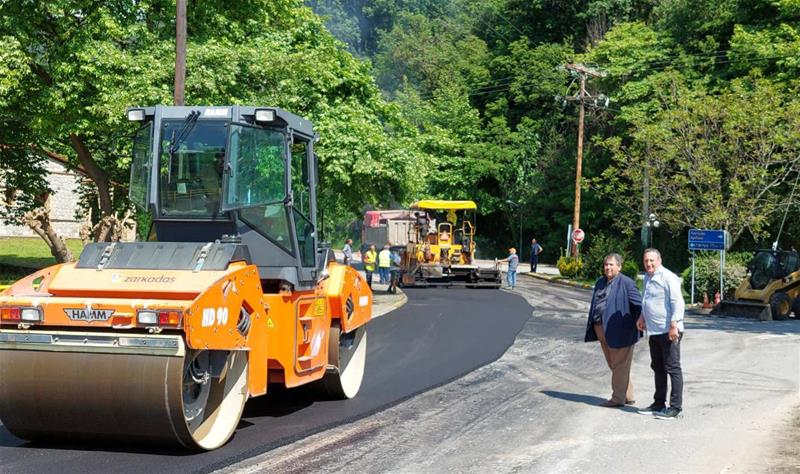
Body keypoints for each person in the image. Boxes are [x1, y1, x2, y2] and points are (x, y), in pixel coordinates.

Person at [584, 253, 642, 408]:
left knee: (619, 365)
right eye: (606, 265)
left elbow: (640, 304)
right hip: (601, 329)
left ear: (619, 266)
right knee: (615, 365)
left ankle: (617, 399)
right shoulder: (600, 282)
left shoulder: (627, 283)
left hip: (621, 331)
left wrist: (640, 322)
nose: (608, 267)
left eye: (611, 265)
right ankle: (627, 395)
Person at [637, 248, 685, 420]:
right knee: (658, 368)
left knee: (672, 368)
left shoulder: (668, 277)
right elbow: (646, 299)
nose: (649, 264)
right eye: (646, 261)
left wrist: (674, 325)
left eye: (652, 260)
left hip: (669, 330)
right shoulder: (648, 277)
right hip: (654, 330)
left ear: (659, 260)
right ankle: (658, 403)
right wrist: (642, 317)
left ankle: (675, 408)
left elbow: (677, 302)